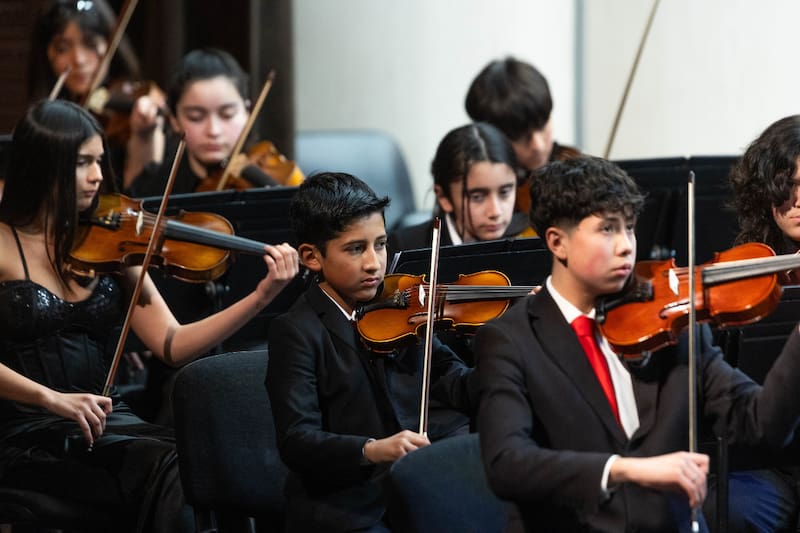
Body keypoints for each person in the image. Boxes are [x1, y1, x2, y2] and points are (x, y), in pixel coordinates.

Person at [0, 99, 299, 532]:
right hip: (28, 430)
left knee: (212, 461)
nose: (98, 175)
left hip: (105, 420)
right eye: (82, 162)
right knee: (170, 467)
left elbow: (172, 344)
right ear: (42, 165)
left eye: (99, 160)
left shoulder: (113, 238)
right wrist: (52, 399)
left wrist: (262, 295)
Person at [475, 155, 800, 532]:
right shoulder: (510, 340)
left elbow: (761, 424)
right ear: (557, 242)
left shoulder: (673, 324)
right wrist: (625, 470)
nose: (627, 246)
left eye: (629, 228)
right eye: (607, 230)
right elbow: (507, 463)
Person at [266, 172, 478, 532]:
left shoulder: (403, 310)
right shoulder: (296, 331)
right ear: (311, 257)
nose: (374, 263)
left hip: (417, 487)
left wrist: (507, 352)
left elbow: (455, 384)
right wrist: (372, 449)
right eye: (355, 248)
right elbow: (297, 441)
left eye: (380, 244)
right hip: (347, 506)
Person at [128, 47, 303, 198]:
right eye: (196, 117)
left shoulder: (270, 177)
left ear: (247, 112)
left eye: (227, 114)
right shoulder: (157, 186)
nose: (214, 130)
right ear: (174, 120)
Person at [28, 0, 166, 191]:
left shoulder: (130, 109)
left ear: (109, 43)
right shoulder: (43, 117)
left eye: (90, 43)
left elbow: (139, 195)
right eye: (62, 48)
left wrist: (145, 136)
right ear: (47, 54)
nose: (79, 59)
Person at [465, 57, 580, 220]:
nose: (538, 146)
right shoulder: (470, 183)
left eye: (542, 126)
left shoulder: (574, 166)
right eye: (521, 137)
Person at [388, 122, 525, 252]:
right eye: (477, 197)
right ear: (444, 197)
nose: (495, 212)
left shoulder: (532, 239)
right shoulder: (404, 247)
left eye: (505, 192)